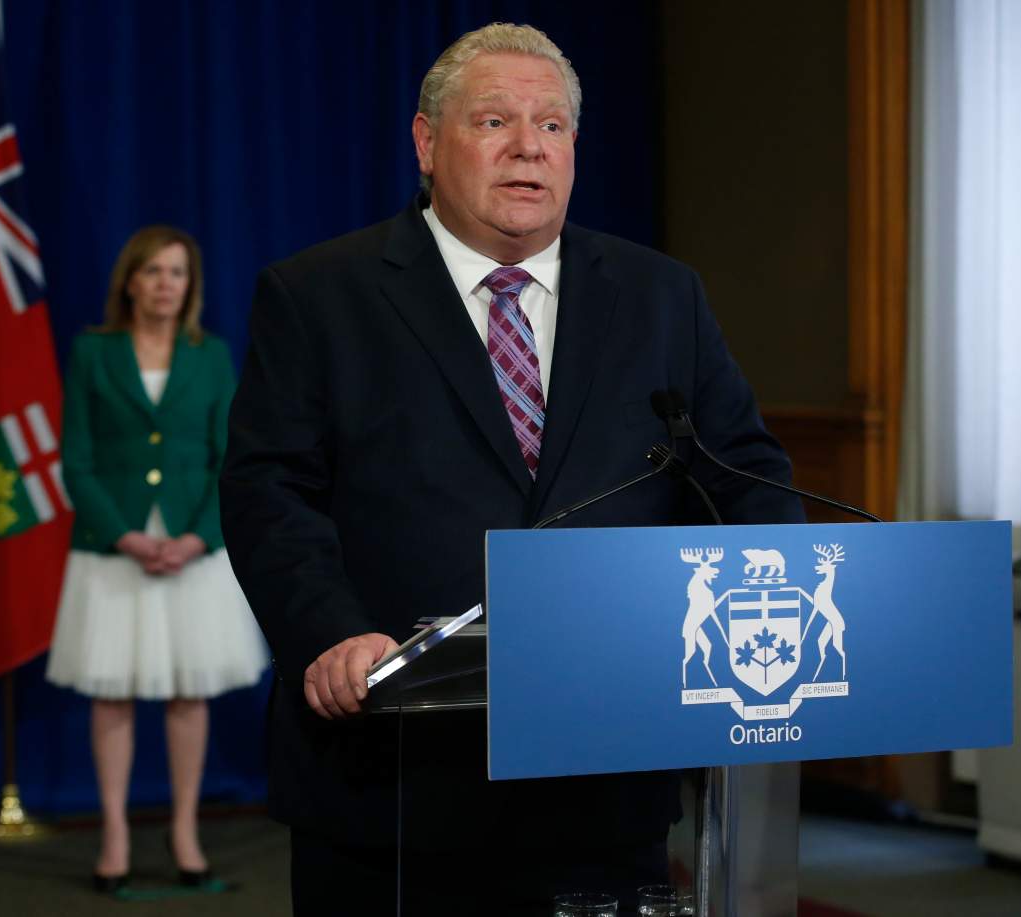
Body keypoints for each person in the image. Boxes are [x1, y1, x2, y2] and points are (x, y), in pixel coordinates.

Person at [220, 23, 804, 916]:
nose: (530, 146)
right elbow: (269, 491)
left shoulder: (661, 294)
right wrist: (329, 633)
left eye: (553, 125)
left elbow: (746, 477)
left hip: (607, 767)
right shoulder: (318, 295)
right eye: (495, 121)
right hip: (394, 778)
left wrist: (775, 590)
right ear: (426, 143)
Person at [46, 225, 268, 893]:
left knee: (187, 691)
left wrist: (198, 536)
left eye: (177, 272)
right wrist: (125, 535)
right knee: (111, 692)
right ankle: (114, 834)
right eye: (153, 271)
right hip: (113, 550)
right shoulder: (93, 352)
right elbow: (76, 460)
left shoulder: (211, 355)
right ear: (131, 282)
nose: (166, 283)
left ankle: (184, 830)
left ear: (189, 285)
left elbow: (231, 457)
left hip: (193, 550)